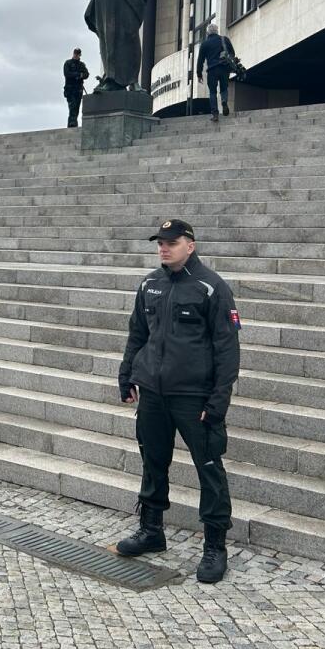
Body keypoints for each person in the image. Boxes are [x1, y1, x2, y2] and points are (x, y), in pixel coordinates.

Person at [115, 219, 241, 584]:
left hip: (194, 397)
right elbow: (137, 333)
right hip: (153, 392)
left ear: (191, 245)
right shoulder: (150, 284)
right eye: (160, 243)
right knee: (153, 462)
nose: (163, 248)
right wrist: (127, 376)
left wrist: (218, 401)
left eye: (171, 242)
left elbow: (227, 349)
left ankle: (215, 547)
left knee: (209, 469)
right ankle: (151, 530)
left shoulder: (212, 288)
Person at [196, 23, 237, 121]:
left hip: (212, 70)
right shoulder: (224, 39)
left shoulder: (205, 44)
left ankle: (215, 114)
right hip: (224, 68)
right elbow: (232, 53)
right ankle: (224, 101)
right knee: (224, 88)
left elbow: (200, 60)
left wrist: (199, 74)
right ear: (217, 31)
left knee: (212, 92)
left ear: (207, 33)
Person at [63, 48, 90, 127]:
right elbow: (67, 74)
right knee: (72, 107)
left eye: (78, 54)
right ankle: (72, 124)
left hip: (78, 89)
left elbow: (86, 74)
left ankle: (73, 123)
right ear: (73, 54)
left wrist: (80, 75)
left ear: (80, 55)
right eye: (75, 53)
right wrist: (78, 74)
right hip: (70, 89)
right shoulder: (68, 63)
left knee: (77, 108)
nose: (76, 55)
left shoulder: (81, 65)